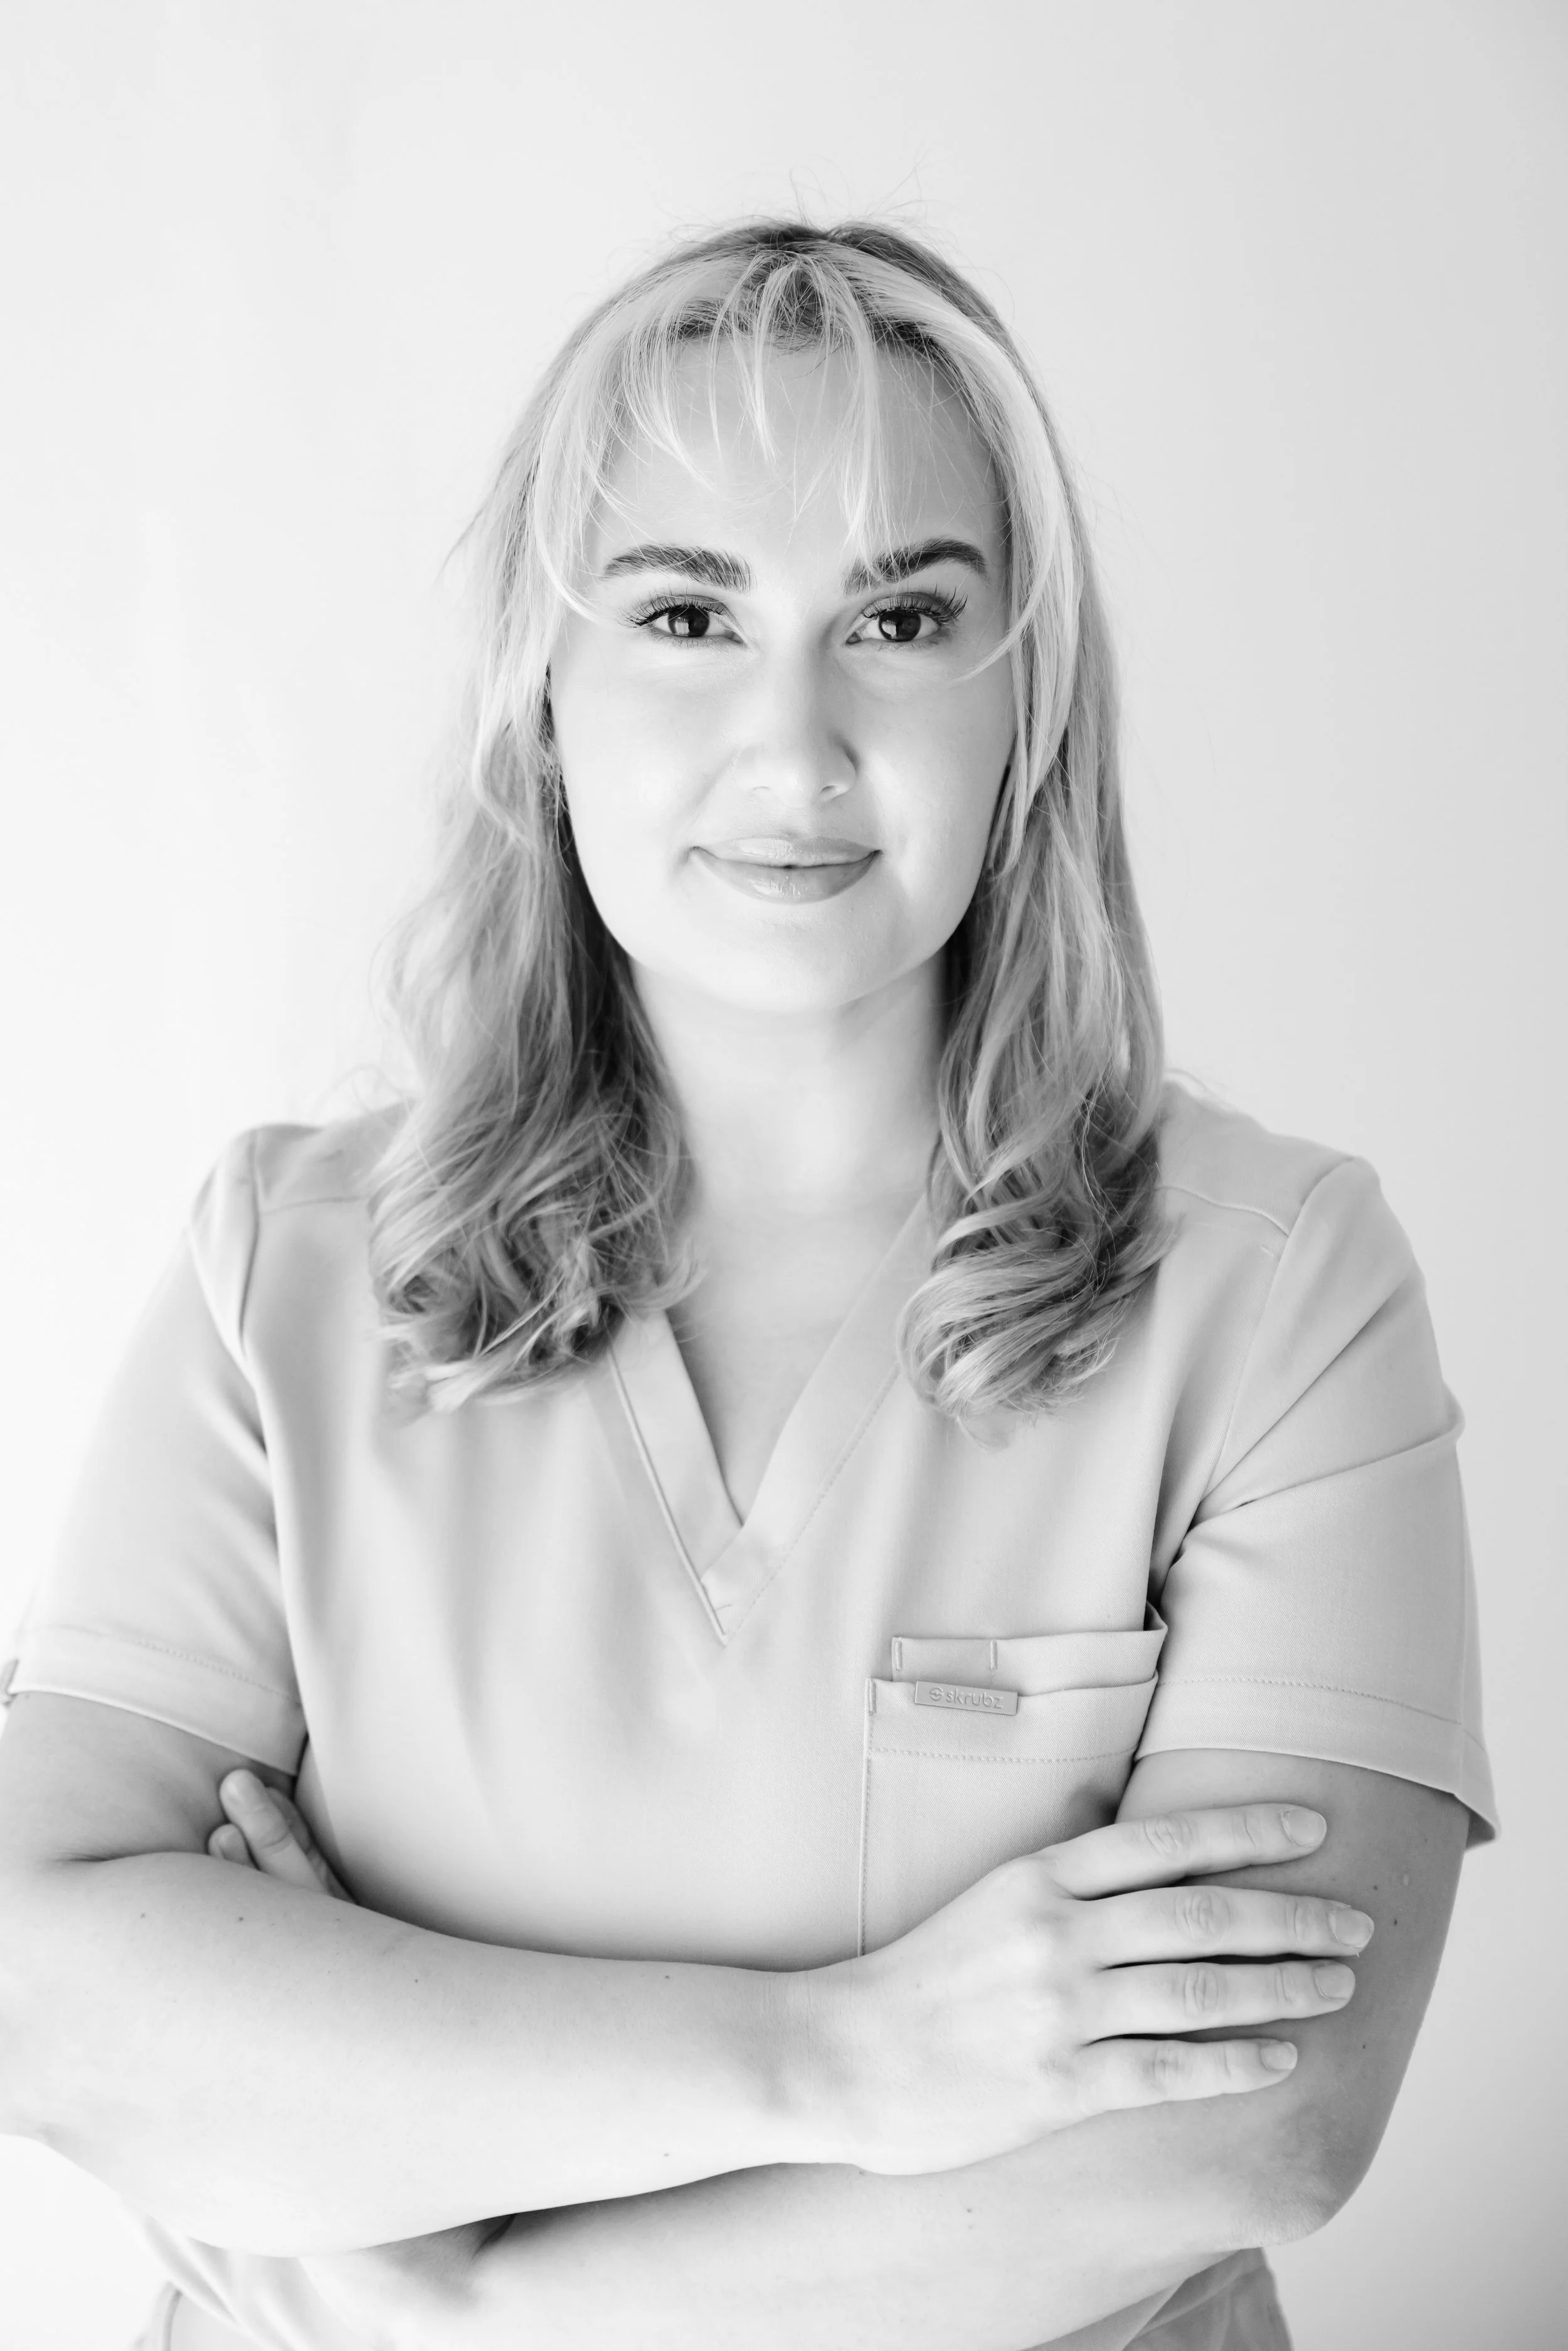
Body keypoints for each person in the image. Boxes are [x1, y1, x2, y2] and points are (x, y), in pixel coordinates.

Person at [0, 218, 1496, 2351]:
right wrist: (852, 2055)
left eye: (899, 616)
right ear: (546, 686)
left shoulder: (1275, 1289)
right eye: (689, 612)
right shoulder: (285, 1276)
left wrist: (448, 2311)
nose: (796, 746)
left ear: (1021, 700)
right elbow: (46, 1989)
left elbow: (1245, 2128)